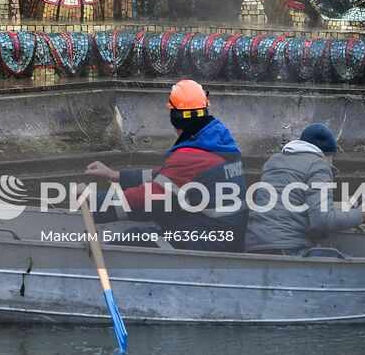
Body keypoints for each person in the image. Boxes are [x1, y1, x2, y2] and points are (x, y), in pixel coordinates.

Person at [85, 80, 247, 252]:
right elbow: (167, 178)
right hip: (225, 235)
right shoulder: (217, 141)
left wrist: (93, 201)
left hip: (207, 242)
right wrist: (116, 176)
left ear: (174, 117)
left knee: (134, 237)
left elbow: (149, 196)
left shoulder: (191, 156)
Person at [245, 122, 365, 255]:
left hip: (255, 245)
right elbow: (322, 220)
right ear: (329, 154)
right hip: (289, 249)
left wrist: (351, 205)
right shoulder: (319, 166)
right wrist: (361, 214)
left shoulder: (274, 162)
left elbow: (296, 204)